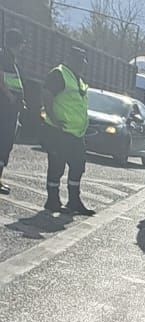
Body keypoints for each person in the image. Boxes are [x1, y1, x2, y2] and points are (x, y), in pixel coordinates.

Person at [40, 46, 93, 217]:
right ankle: (52, 200)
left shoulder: (78, 79)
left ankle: (74, 201)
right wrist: (53, 118)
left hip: (76, 133)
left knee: (78, 166)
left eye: (83, 60)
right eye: (79, 60)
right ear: (71, 59)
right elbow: (46, 94)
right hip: (59, 131)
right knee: (57, 165)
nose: (82, 63)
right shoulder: (59, 74)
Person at [0, 28, 26, 195]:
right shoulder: (3, 57)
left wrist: (19, 100)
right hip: (4, 109)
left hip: (11, 109)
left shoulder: (11, 60)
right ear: (16, 44)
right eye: (22, 43)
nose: (23, 47)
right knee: (2, 143)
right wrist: (10, 97)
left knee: (5, 145)